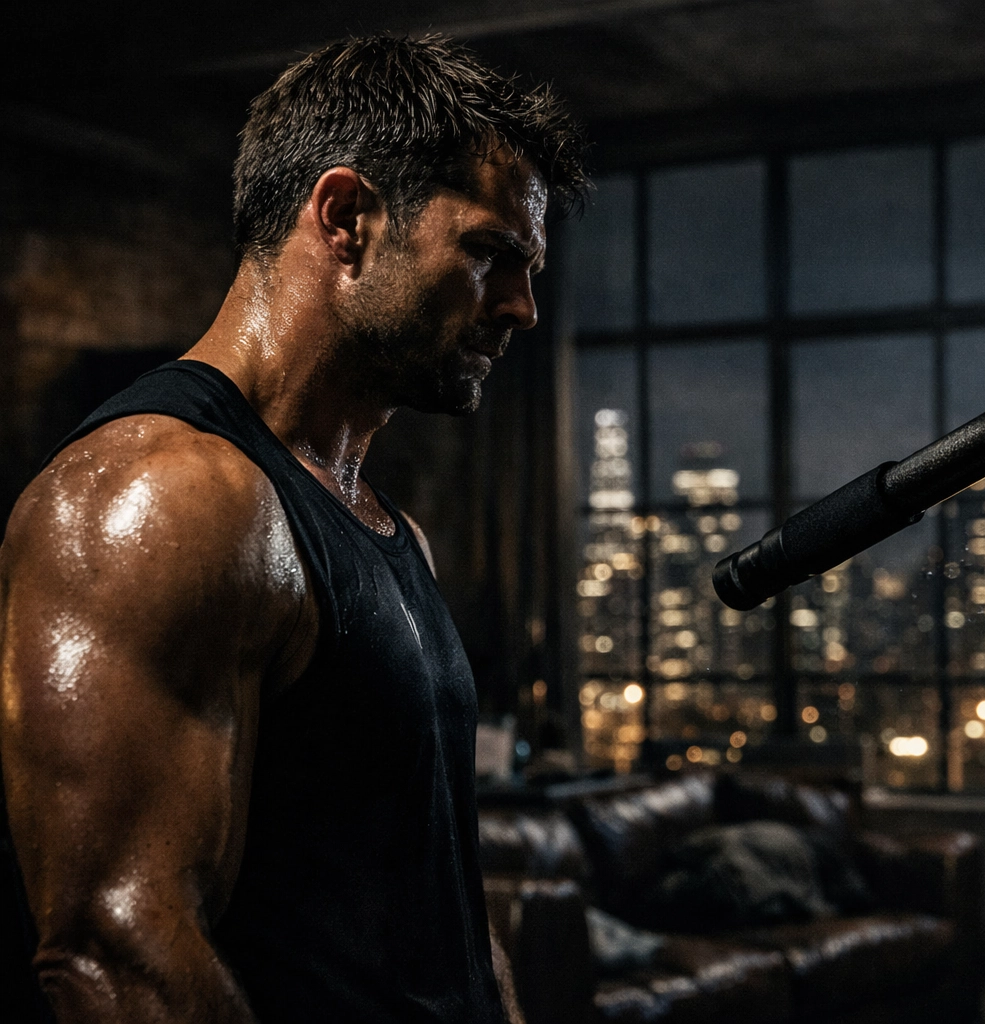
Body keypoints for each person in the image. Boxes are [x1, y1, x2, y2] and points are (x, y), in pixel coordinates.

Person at [0, 34, 588, 1022]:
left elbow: (436, 893)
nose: (524, 309)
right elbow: (117, 954)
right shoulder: (159, 496)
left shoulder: (386, 526)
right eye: (490, 253)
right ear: (347, 216)